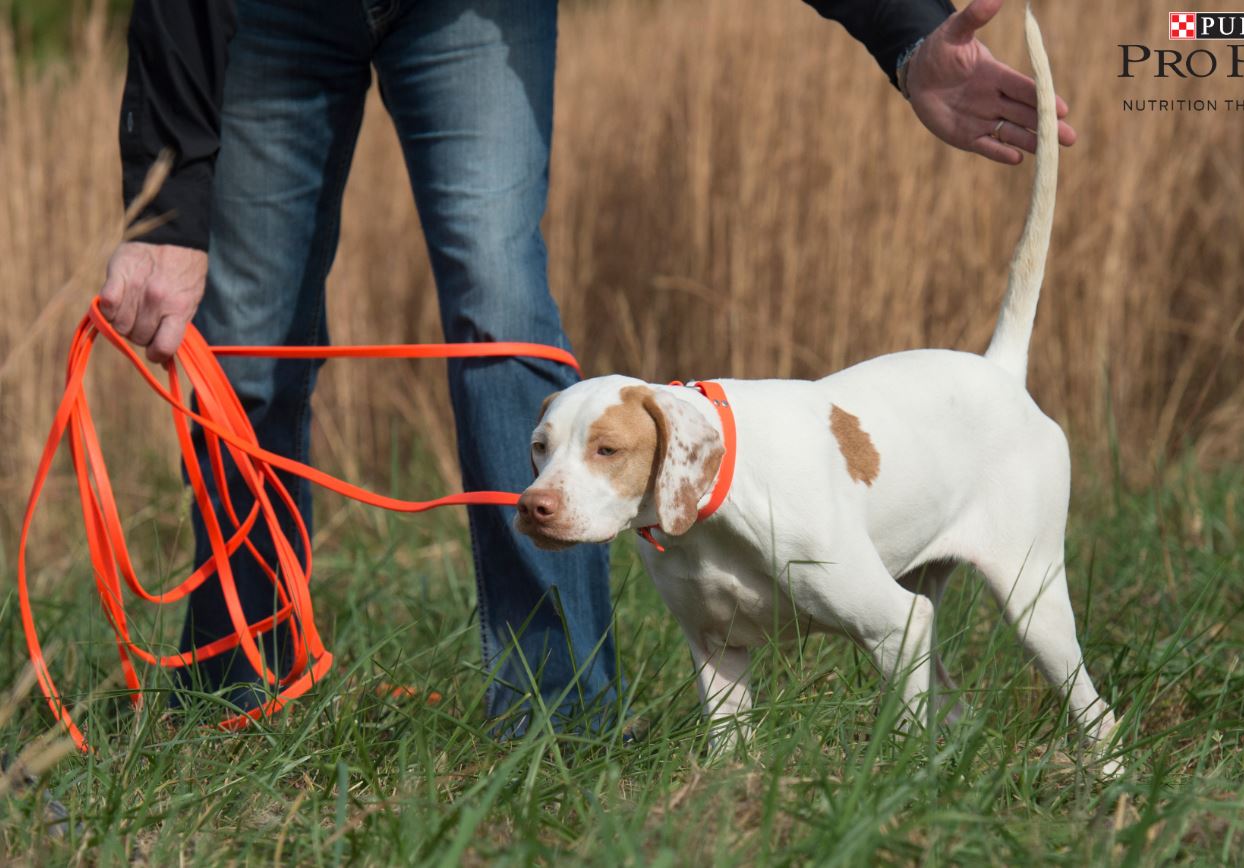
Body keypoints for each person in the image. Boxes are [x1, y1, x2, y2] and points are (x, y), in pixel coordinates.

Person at [99, 0, 1076, 731]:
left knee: (503, 311)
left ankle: (558, 709)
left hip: (470, 13)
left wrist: (904, 30)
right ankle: (240, 691)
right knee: (251, 347)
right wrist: (173, 194)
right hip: (267, 12)